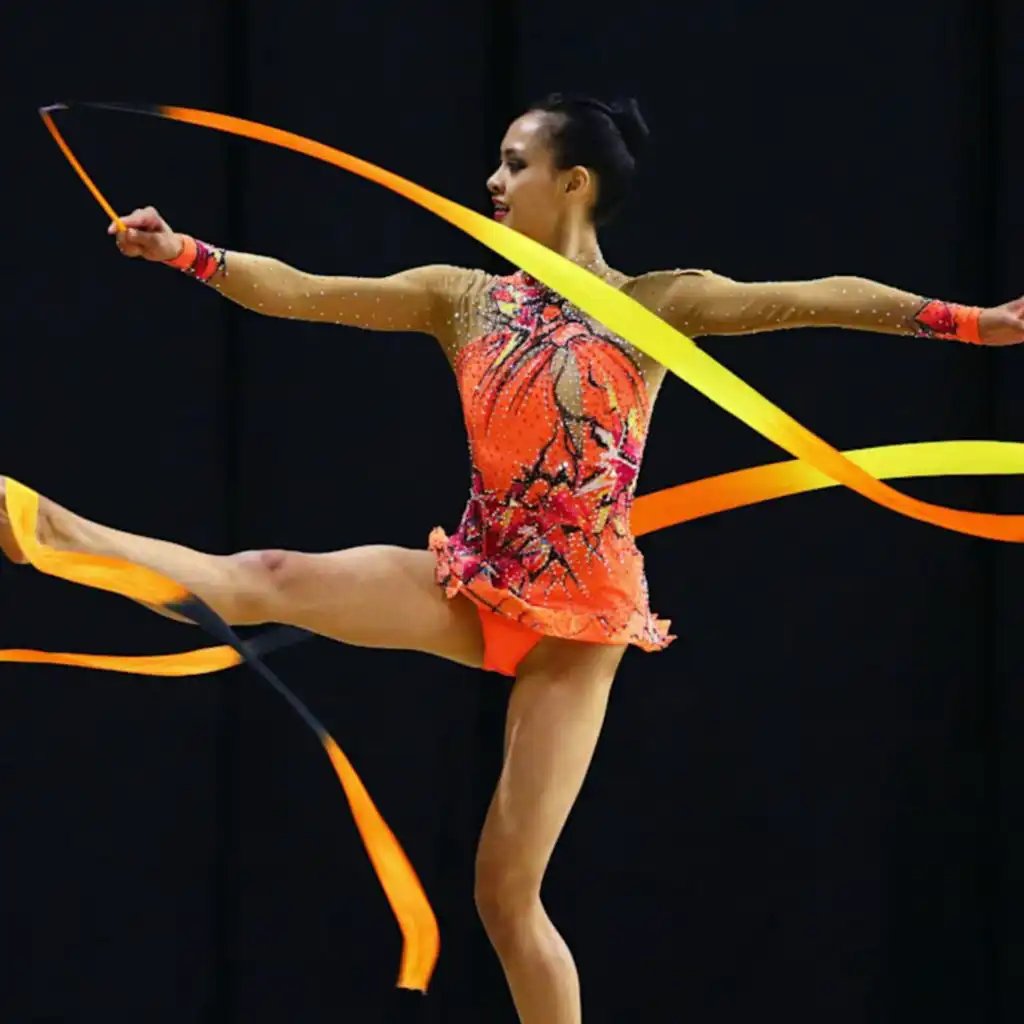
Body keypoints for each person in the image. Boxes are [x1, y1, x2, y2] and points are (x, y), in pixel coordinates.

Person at [3, 93, 1024, 1023]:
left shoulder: (655, 305)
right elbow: (304, 291)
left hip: (577, 627)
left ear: (573, 182)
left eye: (514, 163)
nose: (492, 181)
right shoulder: (462, 298)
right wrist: (185, 251)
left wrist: (972, 325)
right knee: (267, 577)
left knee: (504, 893)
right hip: (477, 578)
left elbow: (820, 295)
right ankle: (47, 528)